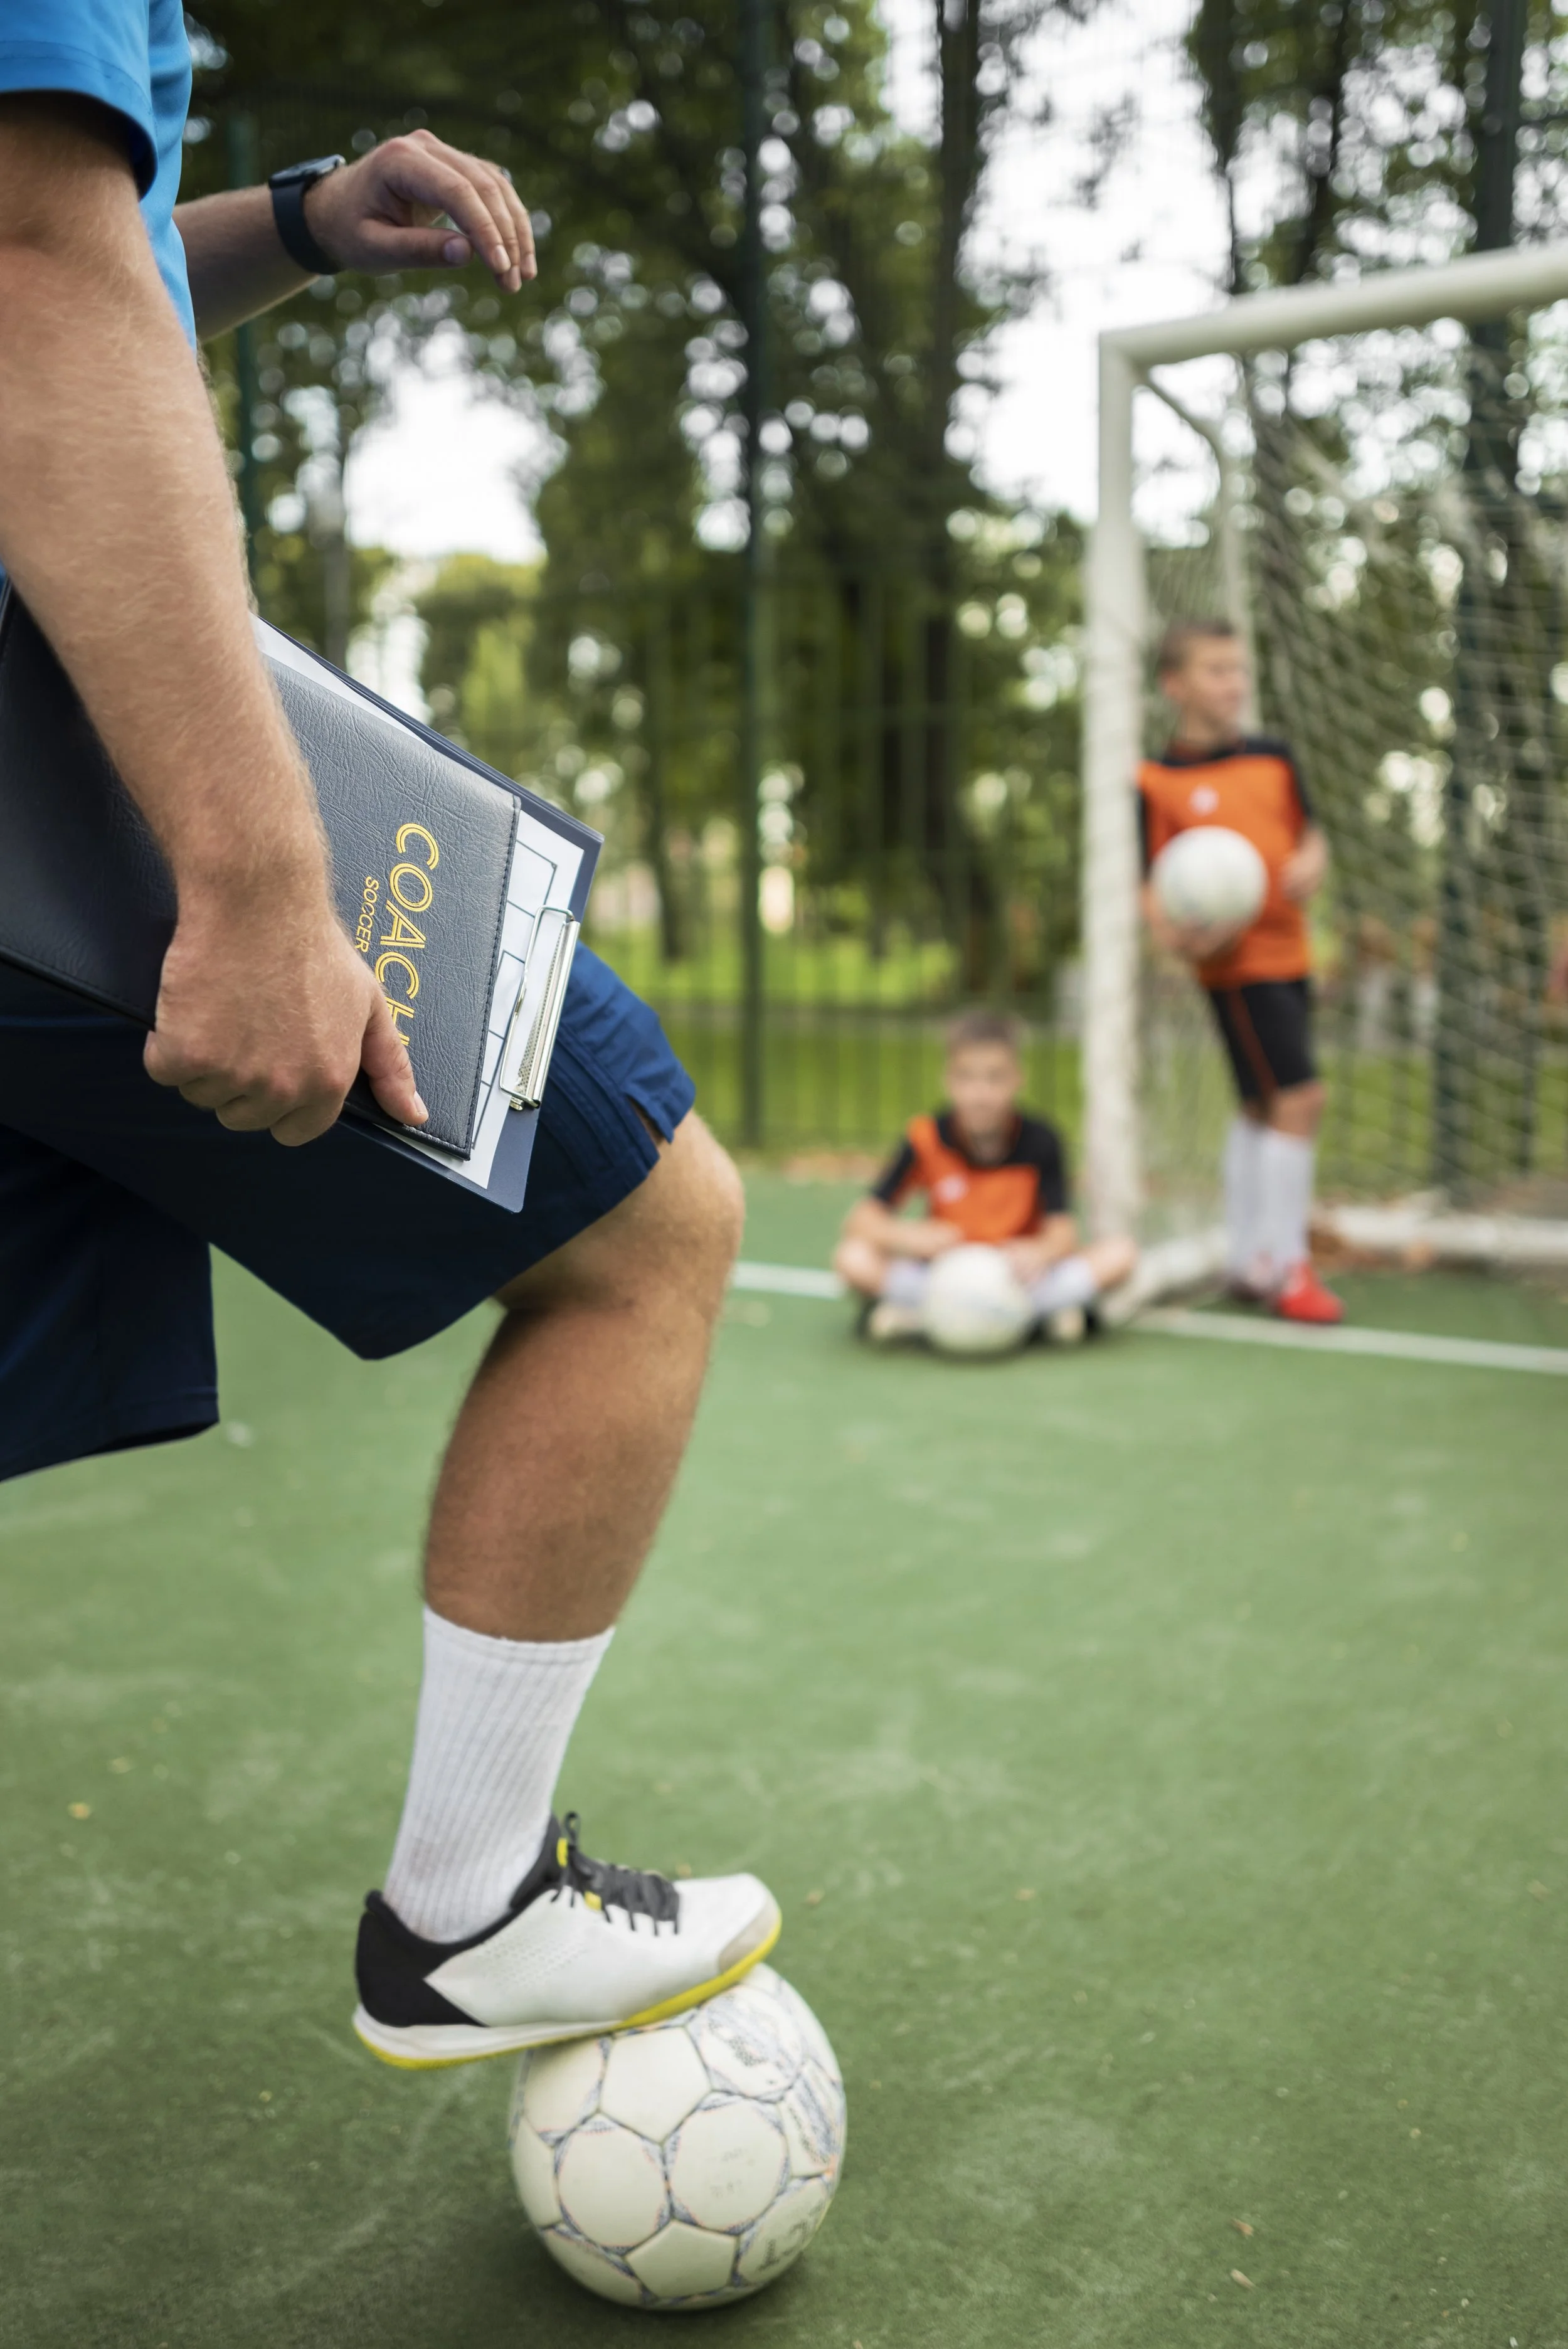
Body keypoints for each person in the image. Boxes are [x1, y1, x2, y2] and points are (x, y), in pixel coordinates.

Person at [0, 6, 778, 2069]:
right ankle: (467, 1916)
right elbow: (32, 273)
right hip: (35, 773)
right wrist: (260, 880)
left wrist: (302, 227)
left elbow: (93, 247)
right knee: (639, 1221)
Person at [1138, 619, 1344, 1326]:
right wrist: (1181, 937)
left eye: (1237, 669)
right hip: (1236, 966)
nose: (1232, 683)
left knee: (1261, 1103)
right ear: (1175, 686)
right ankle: (1287, 1265)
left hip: (1292, 955)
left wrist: (1315, 858)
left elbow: (1309, 833)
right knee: (1300, 1098)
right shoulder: (1158, 780)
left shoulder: (1274, 758)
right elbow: (1152, 892)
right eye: (1215, 670)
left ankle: (1248, 1256)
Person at [833, 1010, 1136, 1344]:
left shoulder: (1042, 1140)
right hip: (941, 1277)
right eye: (967, 1078)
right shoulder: (926, 1138)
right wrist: (909, 1237)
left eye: (995, 1078)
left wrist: (1039, 1252)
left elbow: (1062, 1232)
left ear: (1017, 1078)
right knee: (853, 1259)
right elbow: (861, 1220)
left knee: (1120, 1254)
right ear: (948, 1080)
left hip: (1019, 1279)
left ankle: (923, 1320)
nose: (981, 1094)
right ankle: (1035, 1322)